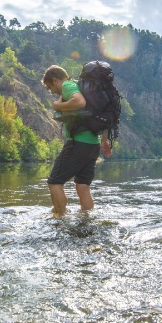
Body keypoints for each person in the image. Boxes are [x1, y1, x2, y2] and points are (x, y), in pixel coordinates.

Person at [42, 65, 112, 216]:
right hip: (93, 144)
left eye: (49, 87)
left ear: (54, 80)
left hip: (78, 143)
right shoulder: (80, 87)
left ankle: (59, 219)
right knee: (82, 186)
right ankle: (86, 220)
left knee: (54, 182)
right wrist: (105, 140)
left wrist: (59, 106)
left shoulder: (67, 85)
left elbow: (80, 102)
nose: (51, 91)